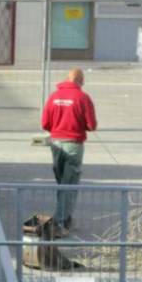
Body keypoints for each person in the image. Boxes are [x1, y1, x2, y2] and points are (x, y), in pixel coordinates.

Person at [41, 68, 97, 237]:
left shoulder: (53, 97)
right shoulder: (83, 98)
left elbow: (45, 123)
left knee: (62, 183)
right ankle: (59, 223)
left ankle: (65, 219)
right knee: (69, 185)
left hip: (56, 144)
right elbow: (92, 125)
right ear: (80, 81)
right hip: (74, 145)